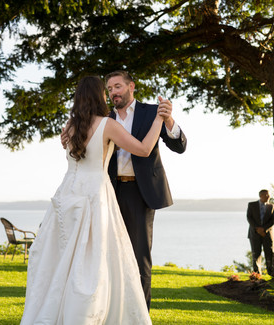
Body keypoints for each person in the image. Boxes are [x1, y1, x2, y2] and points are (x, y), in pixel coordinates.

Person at [20, 75, 168, 324]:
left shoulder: (70, 126)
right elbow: (143, 149)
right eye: (105, 91)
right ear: (99, 96)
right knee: (94, 258)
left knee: (64, 257)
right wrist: (159, 119)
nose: (109, 95)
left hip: (67, 193)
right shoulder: (108, 125)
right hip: (95, 193)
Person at [61, 70, 187, 310]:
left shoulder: (153, 112)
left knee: (139, 259)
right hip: (106, 192)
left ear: (131, 86)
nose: (113, 93)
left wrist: (168, 121)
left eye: (117, 86)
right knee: (106, 256)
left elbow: (179, 146)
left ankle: (140, 314)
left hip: (140, 193)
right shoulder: (102, 118)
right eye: (109, 89)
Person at [247, 189, 274, 275]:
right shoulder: (252, 205)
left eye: (269, 195)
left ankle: (271, 273)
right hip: (254, 234)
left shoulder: (271, 206)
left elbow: (272, 220)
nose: (269, 196)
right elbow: (249, 218)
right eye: (267, 195)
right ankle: (257, 274)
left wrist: (264, 229)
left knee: (270, 254)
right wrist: (258, 229)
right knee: (256, 254)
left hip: (267, 234)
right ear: (261, 196)